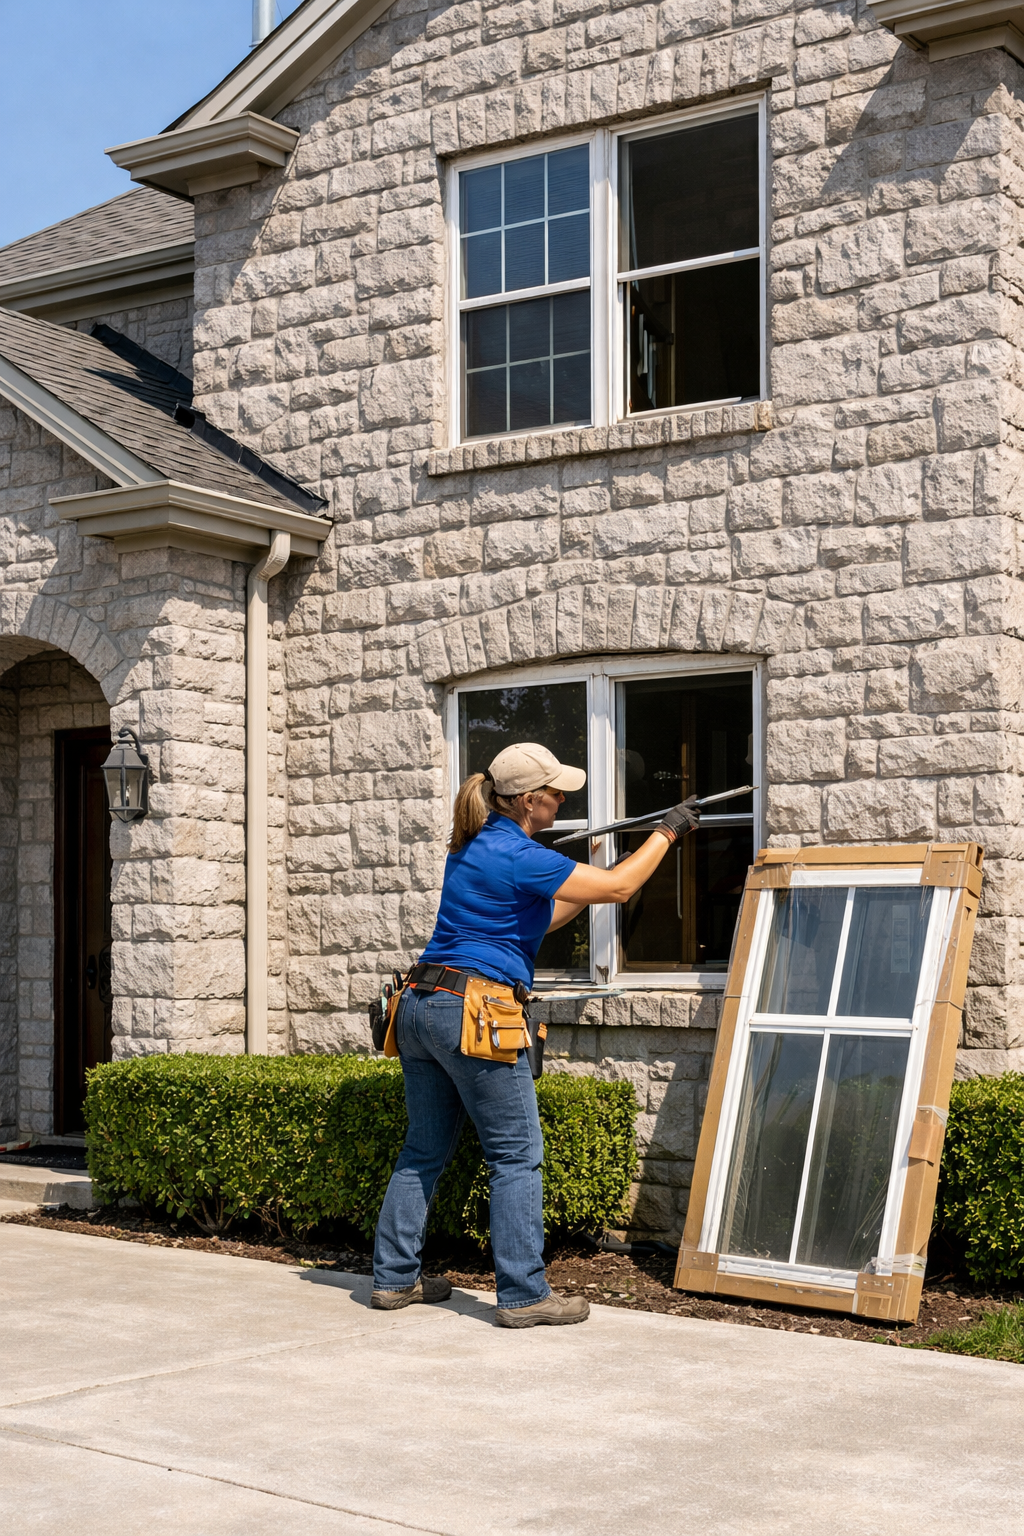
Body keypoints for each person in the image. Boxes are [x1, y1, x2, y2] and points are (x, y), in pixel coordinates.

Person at [371, 742, 699, 1327]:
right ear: (528, 800)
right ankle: (525, 1295)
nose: (564, 797)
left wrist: (585, 876)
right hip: (473, 1008)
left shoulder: (474, 845)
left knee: (423, 1150)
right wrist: (666, 834)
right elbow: (621, 889)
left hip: (421, 1005)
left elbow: (539, 917)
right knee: (517, 1157)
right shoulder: (521, 855)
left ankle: (395, 1281)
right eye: (555, 791)